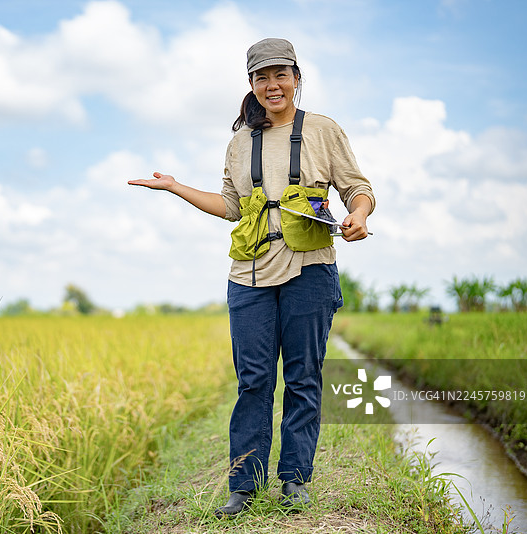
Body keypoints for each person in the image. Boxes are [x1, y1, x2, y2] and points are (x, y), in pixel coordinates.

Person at [128, 38, 375, 517]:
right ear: (251, 85)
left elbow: (356, 189)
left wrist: (359, 215)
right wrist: (176, 187)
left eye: (281, 74)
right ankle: (244, 484)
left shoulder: (323, 130)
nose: (272, 84)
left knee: (303, 377)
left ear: (297, 79)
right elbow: (232, 207)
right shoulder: (240, 142)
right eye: (262, 76)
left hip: (310, 269)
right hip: (249, 273)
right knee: (254, 380)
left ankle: (295, 482)